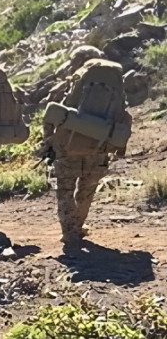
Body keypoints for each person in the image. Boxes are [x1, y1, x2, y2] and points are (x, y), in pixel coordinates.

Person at [41, 58, 132, 251]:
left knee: (65, 190)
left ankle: (69, 233)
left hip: (68, 148)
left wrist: (49, 141)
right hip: (98, 150)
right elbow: (123, 119)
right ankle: (79, 226)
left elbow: (54, 112)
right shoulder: (116, 90)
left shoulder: (79, 84)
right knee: (87, 190)